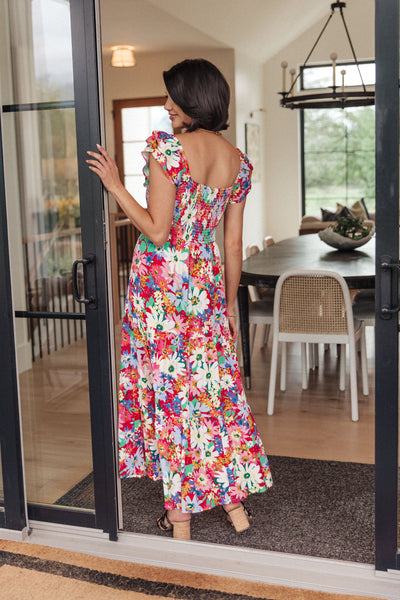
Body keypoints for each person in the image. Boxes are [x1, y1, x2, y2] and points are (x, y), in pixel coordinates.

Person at [87, 58, 272, 541]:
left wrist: (115, 186)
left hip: (162, 291)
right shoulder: (237, 161)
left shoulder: (166, 150)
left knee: (171, 397)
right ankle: (233, 504)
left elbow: (157, 229)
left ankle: (181, 518)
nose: (167, 104)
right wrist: (227, 305)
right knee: (210, 393)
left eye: (173, 96)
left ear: (194, 99)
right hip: (206, 286)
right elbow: (233, 243)